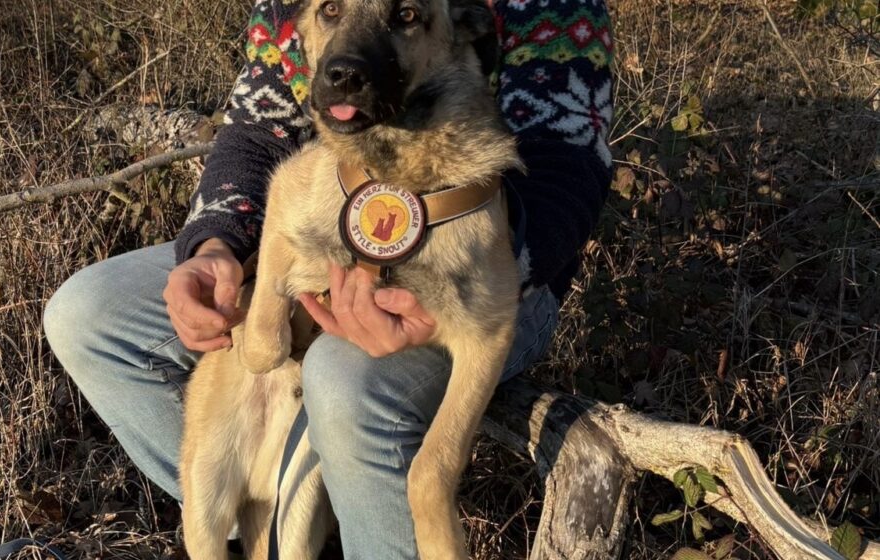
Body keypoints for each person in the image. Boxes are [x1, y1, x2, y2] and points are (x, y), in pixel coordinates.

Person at [44, 0, 614, 556]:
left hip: (498, 272)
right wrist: (216, 243)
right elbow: (258, 132)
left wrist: (476, 284)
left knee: (343, 380)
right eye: (333, 12)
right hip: (321, 232)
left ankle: (368, 527)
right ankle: (274, 517)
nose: (348, 57)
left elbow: (568, 167)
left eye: (404, 16)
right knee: (88, 314)